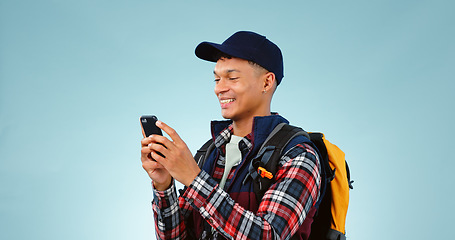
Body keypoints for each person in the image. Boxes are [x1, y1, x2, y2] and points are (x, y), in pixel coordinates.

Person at [140, 31, 321, 240]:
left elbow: (269, 236)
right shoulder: (210, 152)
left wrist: (194, 179)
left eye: (232, 78)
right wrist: (164, 187)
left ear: (267, 82)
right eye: (216, 79)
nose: (219, 88)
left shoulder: (299, 155)